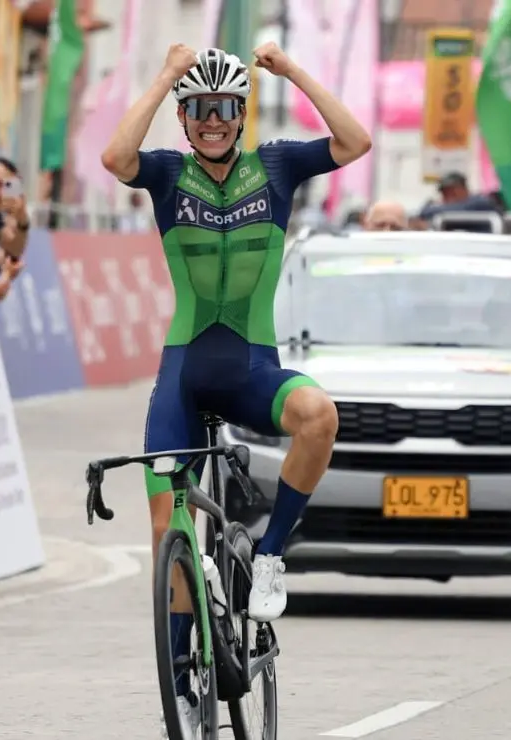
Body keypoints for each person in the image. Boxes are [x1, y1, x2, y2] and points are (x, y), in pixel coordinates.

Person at [100, 41, 370, 727]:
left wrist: (292, 72)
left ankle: (272, 554)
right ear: (185, 119)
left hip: (253, 369)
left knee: (320, 415)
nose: (213, 120)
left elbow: (355, 140)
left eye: (224, 108)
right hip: (184, 379)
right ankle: (184, 690)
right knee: (171, 531)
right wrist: (165, 73)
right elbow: (115, 158)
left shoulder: (276, 165)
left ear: (241, 113)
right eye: (199, 110)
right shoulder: (165, 174)